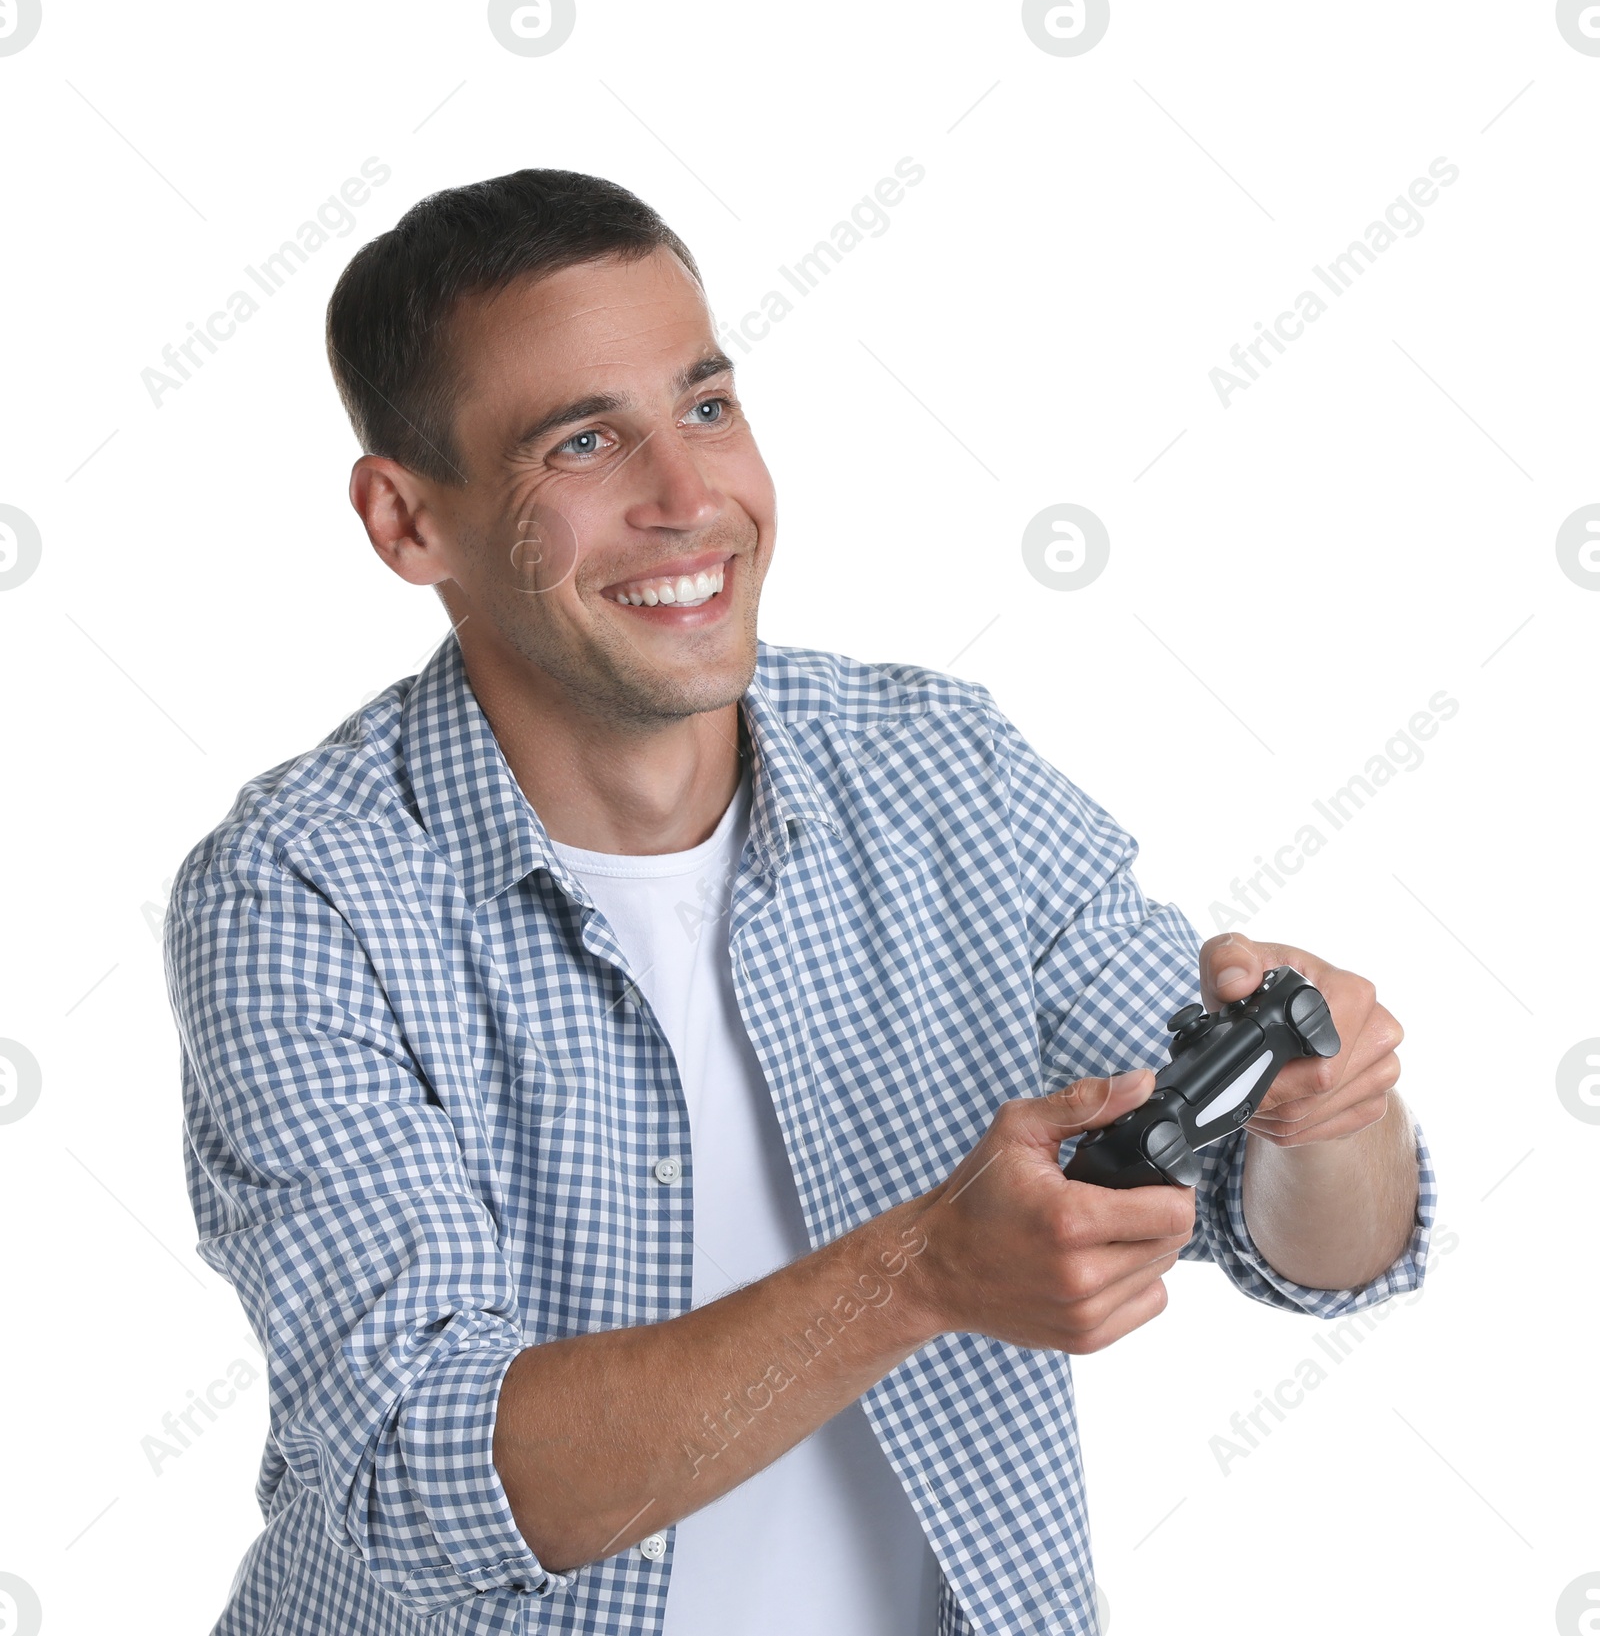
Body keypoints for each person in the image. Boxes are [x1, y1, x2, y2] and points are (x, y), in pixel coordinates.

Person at [163, 168, 1436, 1636]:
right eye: (584, 442)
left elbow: (1310, 1243)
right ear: (406, 522)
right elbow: (426, 1468)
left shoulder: (942, 772)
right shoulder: (301, 889)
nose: (689, 498)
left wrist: (1324, 1115)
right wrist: (920, 1272)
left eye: (706, 407)